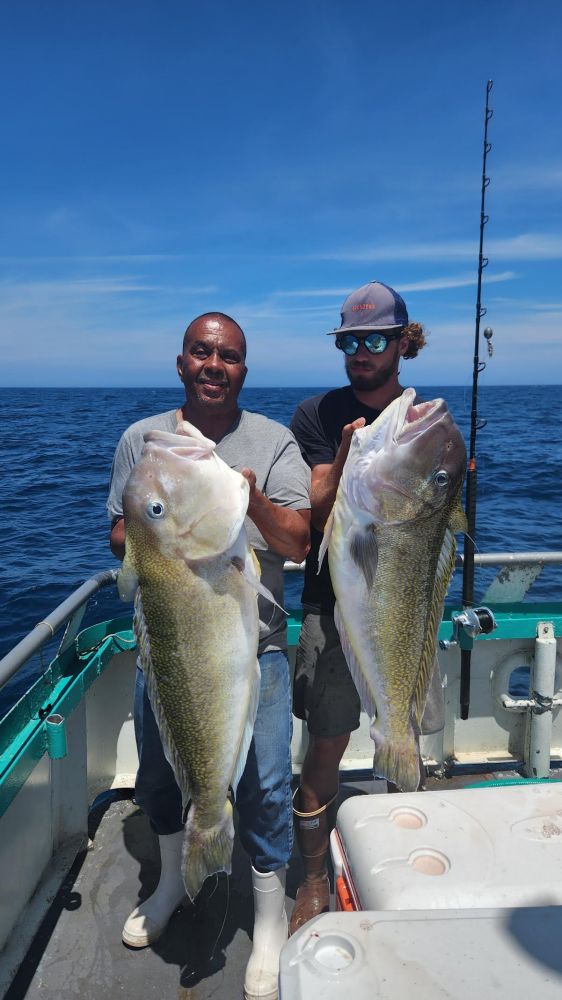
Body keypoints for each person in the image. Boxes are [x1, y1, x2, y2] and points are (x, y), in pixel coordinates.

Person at [107, 312, 311, 1000]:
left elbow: (295, 544)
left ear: (242, 370)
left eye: (227, 355)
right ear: (181, 363)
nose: (213, 364)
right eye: (201, 352)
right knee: (163, 784)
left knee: (267, 789)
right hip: (165, 650)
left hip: (258, 651)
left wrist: (242, 494)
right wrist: (152, 520)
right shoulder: (142, 439)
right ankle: (172, 884)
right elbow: (121, 534)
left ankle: (269, 916)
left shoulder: (274, 440)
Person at [289, 280, 444, 934]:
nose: (359, 352)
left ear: (403, 343)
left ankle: (408, 864)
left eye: (374, 339)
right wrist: (348, 454)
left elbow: (434, 513)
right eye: (349, 341)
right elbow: (316, 518)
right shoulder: (317, 415)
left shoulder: (424, 422)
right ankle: (313, 877)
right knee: (324, 746)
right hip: (332, 607)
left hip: (401, 601)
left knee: (400, 728)